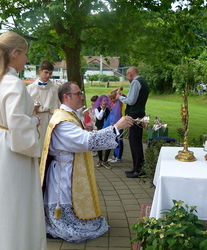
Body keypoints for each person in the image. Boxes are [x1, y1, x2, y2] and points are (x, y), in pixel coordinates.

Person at [40, 81, 133, 243]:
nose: (82, 97)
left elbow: (79, 136)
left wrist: (86, 128)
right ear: (66, 96)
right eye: (78, 94)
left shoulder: (68, 115)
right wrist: (116, 127)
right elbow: (87, 141)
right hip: (64, 171)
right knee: (67, 215)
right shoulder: (62, 120)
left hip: (70, 167)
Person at [0, 31, 47, 250]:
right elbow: (18, 130)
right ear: (15, 53)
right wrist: (34, 121)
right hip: (13, 155)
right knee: (17, 206)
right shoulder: (14, 84)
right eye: (25, 53)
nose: (27, 59)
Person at [117, 66, 150, 178]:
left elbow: (131, 101)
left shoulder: (136, 82)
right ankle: (137, 167)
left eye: (127, 74)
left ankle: (138, 170)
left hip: (135, 115)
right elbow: (134, 98)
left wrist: (119, 98)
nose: (127, 77)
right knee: (136, 141)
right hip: (139, 113)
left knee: (134, 142)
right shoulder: (143, 82)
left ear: (131, 73)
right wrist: (125, 96)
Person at [27, 61, 61, 155]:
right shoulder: (30, 88)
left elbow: (59, 106)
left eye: (50, 73)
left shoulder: (55, 88)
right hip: (36, 119)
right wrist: (33, 109)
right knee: (37, 145)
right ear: (40, 71)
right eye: (46, 72)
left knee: (49, 145)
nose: (48, 75)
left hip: (50, 119)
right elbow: (25, 106)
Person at [106, 87, 125, 163]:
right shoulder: (112, 103)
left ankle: (119, 157)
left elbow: (118, 95)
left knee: (119, 139)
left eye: (113, 98)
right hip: (113, 123)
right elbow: (109, 94)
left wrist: (118, 90)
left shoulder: (119, 102)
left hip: (119, 122)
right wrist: (116, 89)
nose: (112, 100)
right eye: (110, 98)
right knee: (114, 139)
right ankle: (115, 155)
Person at [93, 95, 112, 169]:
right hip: (100, 127)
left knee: (109, 143)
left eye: (106, 101)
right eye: (104, 101)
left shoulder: (108, 110)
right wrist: (102, 110)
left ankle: (105, 160)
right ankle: (100, 160)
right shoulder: (97, 109)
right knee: (99, 143)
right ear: (100, 102)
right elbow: (99, 117)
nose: (105, 102)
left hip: (107, 128)